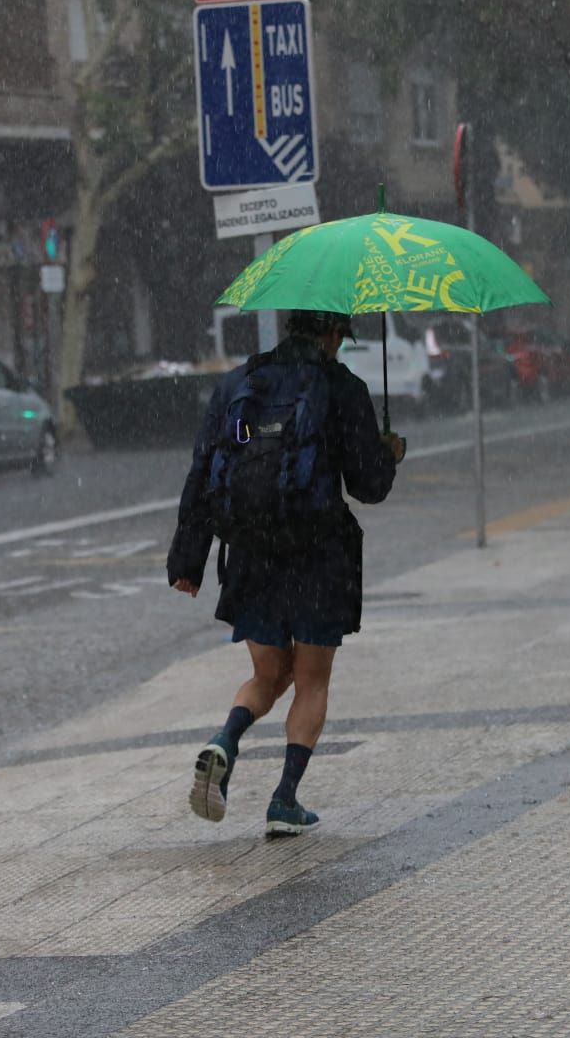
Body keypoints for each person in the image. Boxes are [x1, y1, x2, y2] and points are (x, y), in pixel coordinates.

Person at [167, 309, 405, 838]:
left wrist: (188, 559)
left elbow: (204, 468)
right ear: (332, 334)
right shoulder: (341, 386)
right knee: (312, 679)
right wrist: (389, 454)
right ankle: (284, 798)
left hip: (252, 551)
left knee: (267, 676)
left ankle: (225, 740)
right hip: (318, 552)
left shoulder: (239, 385)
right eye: (341, 337)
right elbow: (368, 485)